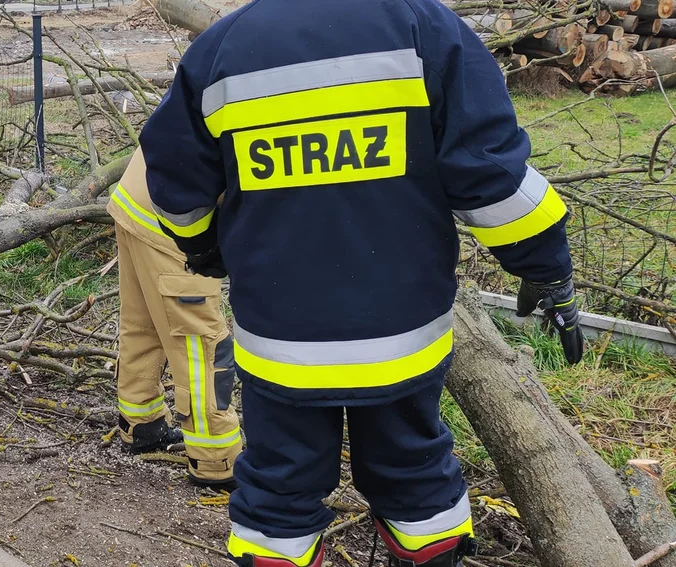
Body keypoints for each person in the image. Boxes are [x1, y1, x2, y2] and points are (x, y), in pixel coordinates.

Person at [138, 0, 585, 563]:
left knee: (278, 493)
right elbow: (489, 172)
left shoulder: (223, 47)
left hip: (282, 342)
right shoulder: (423, 26)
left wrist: (204, 245)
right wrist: (547, 267)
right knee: (416, 475)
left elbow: (176, 179)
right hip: (402, 341)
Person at [107, 147, 242, 490]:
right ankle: (216, 460)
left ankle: (141, 422)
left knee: (143, 324)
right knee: (201, 344)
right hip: (178, 220)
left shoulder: (217, 91)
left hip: (137, 199)